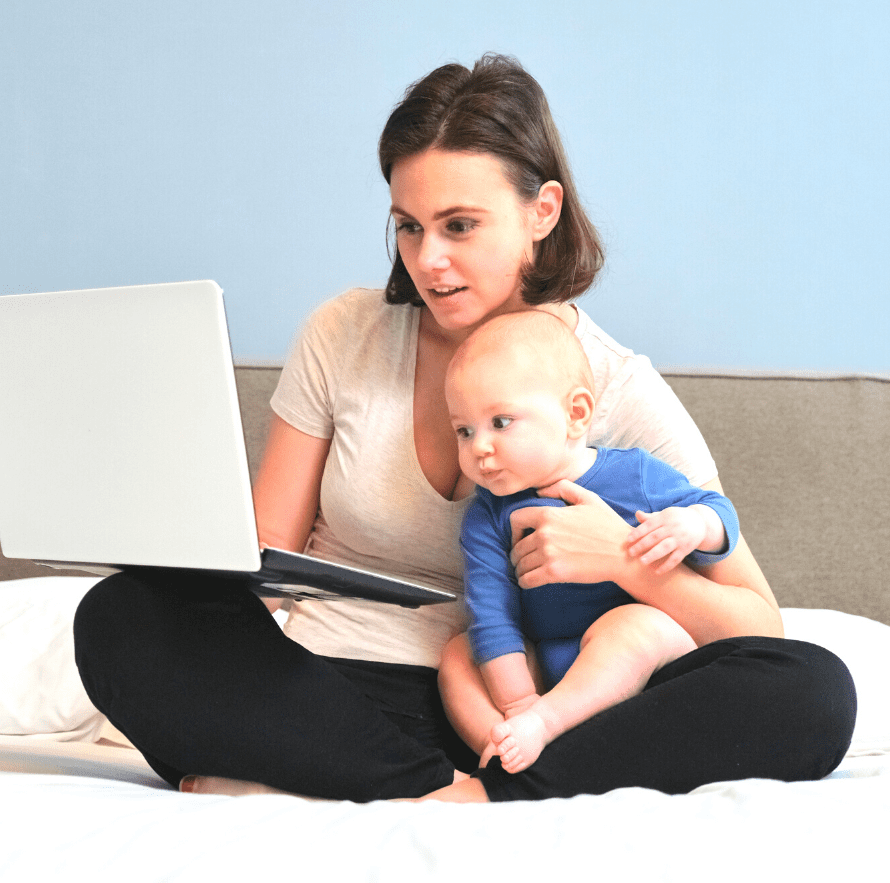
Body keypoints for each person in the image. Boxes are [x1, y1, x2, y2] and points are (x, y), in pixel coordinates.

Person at [73, 54, 856, 804]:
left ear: (541, 211)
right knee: (117, 619)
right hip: (329, 689)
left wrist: (630, 562)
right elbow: (260, 562)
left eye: (459, 225)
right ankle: (441, 791)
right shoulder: (343, 334)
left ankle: (436, 788)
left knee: (814, 691)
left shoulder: (610, 387)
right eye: (408, 227)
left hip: (525, 711)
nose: (428, 261)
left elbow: (757, 626)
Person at [440, 309, 740, 773]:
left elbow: (718, 512)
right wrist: (517, 701)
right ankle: (504, 752)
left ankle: (544, 727)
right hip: (549, 658)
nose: (479, 447)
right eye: (464, 430)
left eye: (500, 422)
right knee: (459, 655)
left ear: (575, 414)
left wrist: (695, 524)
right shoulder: (487, 514)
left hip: (635, 664)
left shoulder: (634, 474)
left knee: (634, 624)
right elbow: (492, 616)